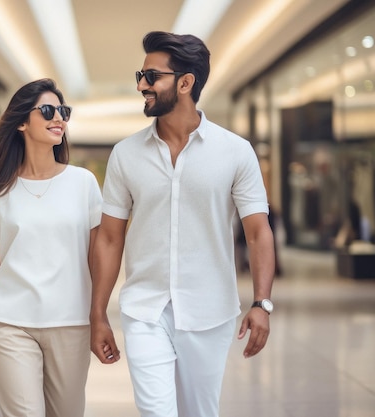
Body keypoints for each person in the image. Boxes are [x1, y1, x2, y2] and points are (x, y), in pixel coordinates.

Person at [90, 31, 276, 417]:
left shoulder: (235, 152)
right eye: (140, 75)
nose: (142, 85)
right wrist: (97, 313)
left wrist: (262, 303)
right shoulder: (125, 155)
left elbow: (258, 233)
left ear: (186, 82)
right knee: (157, 412)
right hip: (144, 309)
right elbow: (109, 239)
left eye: (152, 76)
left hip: (209, 310)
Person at [0, 78, 102, 417]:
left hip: (70, 321)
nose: (59, 118)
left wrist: (99, 317)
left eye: (63, 111)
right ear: (22, 122)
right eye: (48, 110)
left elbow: (97, 258)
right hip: (10, 322)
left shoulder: (83, 183)